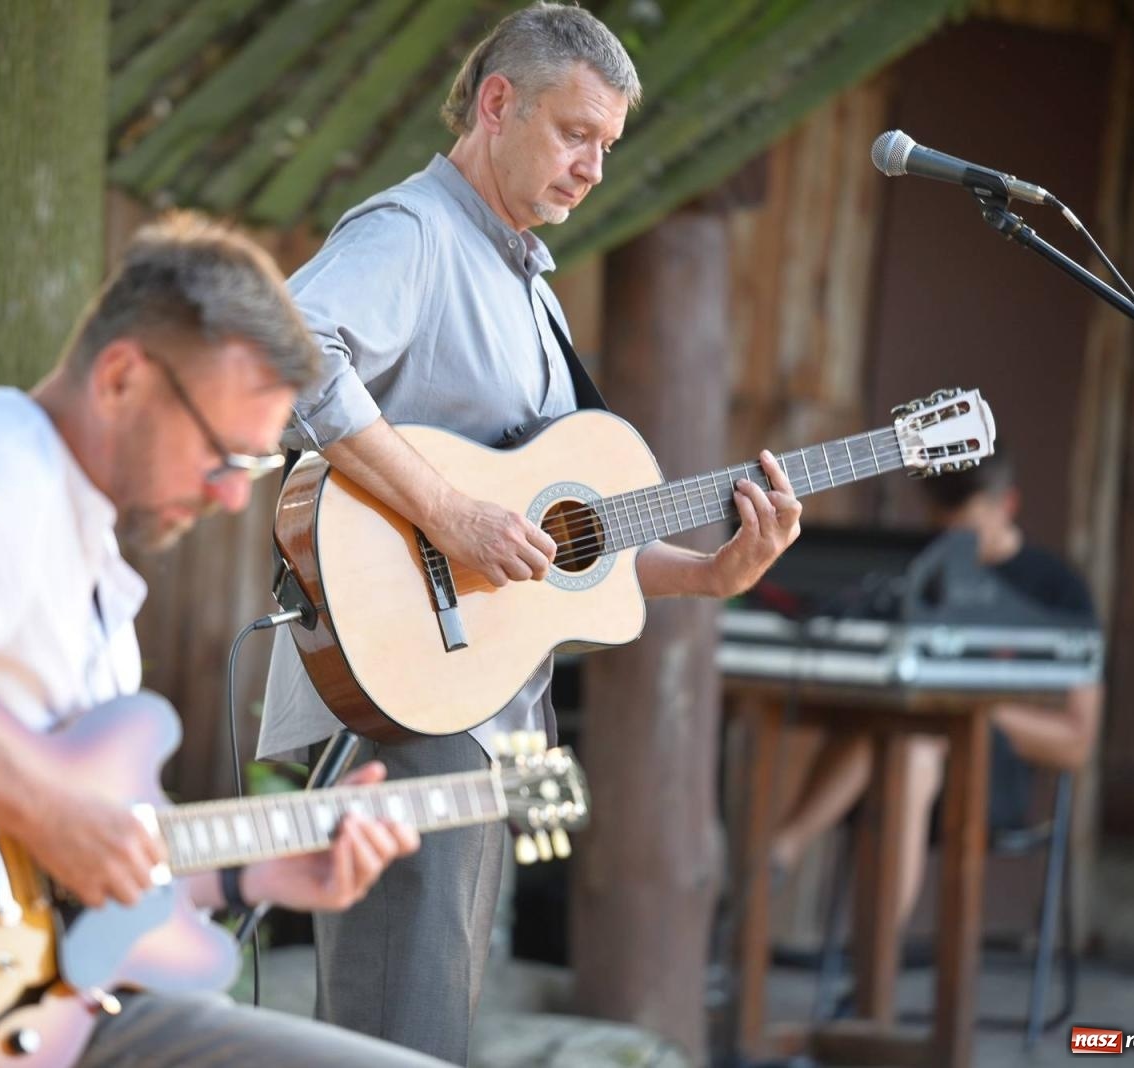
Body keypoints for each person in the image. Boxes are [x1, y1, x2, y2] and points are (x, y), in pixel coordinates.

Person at [0, 214, 447, 1068]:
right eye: (224, 455)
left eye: (251, 468)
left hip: (48, 1006)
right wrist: (44, 808)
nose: (229, 500)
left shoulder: (79, 533)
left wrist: (256, 877)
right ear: (120, 379)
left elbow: (73, 850)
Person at [258, 4, 803, 1061]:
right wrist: (448, 512)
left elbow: (560, 547)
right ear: (497, 104)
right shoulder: (412, 231)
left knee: (429, 1029)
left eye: (606, 147)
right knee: (393, 1036)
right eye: (574, 134)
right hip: (401, 696)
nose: (592, 169)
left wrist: (708, 574)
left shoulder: (527, 285)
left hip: (483, 707)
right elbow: (287, 345)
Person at [768, 448, 1103, 932]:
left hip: (991, 773)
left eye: (964, 532)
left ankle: (858, 953)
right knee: (897, 730)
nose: (950, 545)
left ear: (1006, 505)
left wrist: (970, 706)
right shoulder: (921, 571)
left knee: (913, 743)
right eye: (941, 529)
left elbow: (1077, 741)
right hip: (888, 754)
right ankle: (787, 868)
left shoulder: (1058, 590)